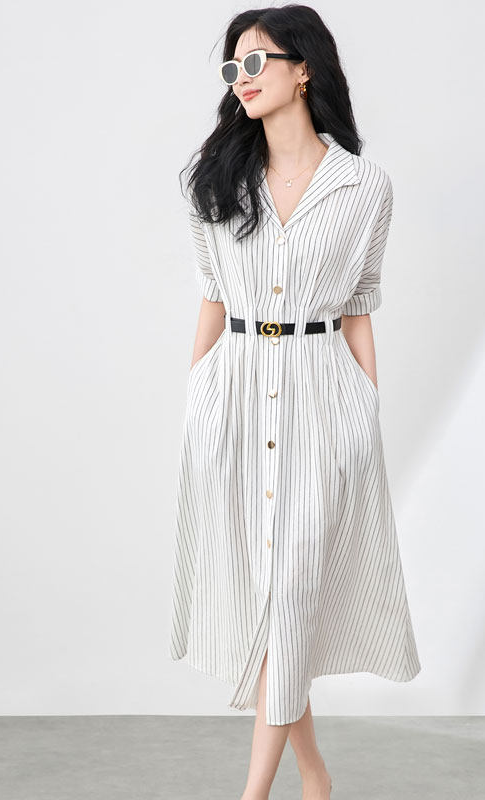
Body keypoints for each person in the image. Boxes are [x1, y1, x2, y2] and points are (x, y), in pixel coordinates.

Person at [169, 6, 421, 799]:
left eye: (256, 63)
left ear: (302, 68)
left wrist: (364, 412)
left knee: (293, 592)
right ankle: (314, 774)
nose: (241, 80)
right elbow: (212, 296)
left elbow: (361, 305)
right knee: (270, 600)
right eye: (233, 68)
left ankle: (254, 794)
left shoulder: (363, 187)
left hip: (322, 396)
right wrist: (199, 396)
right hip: (236, 397)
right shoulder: (214, 182)